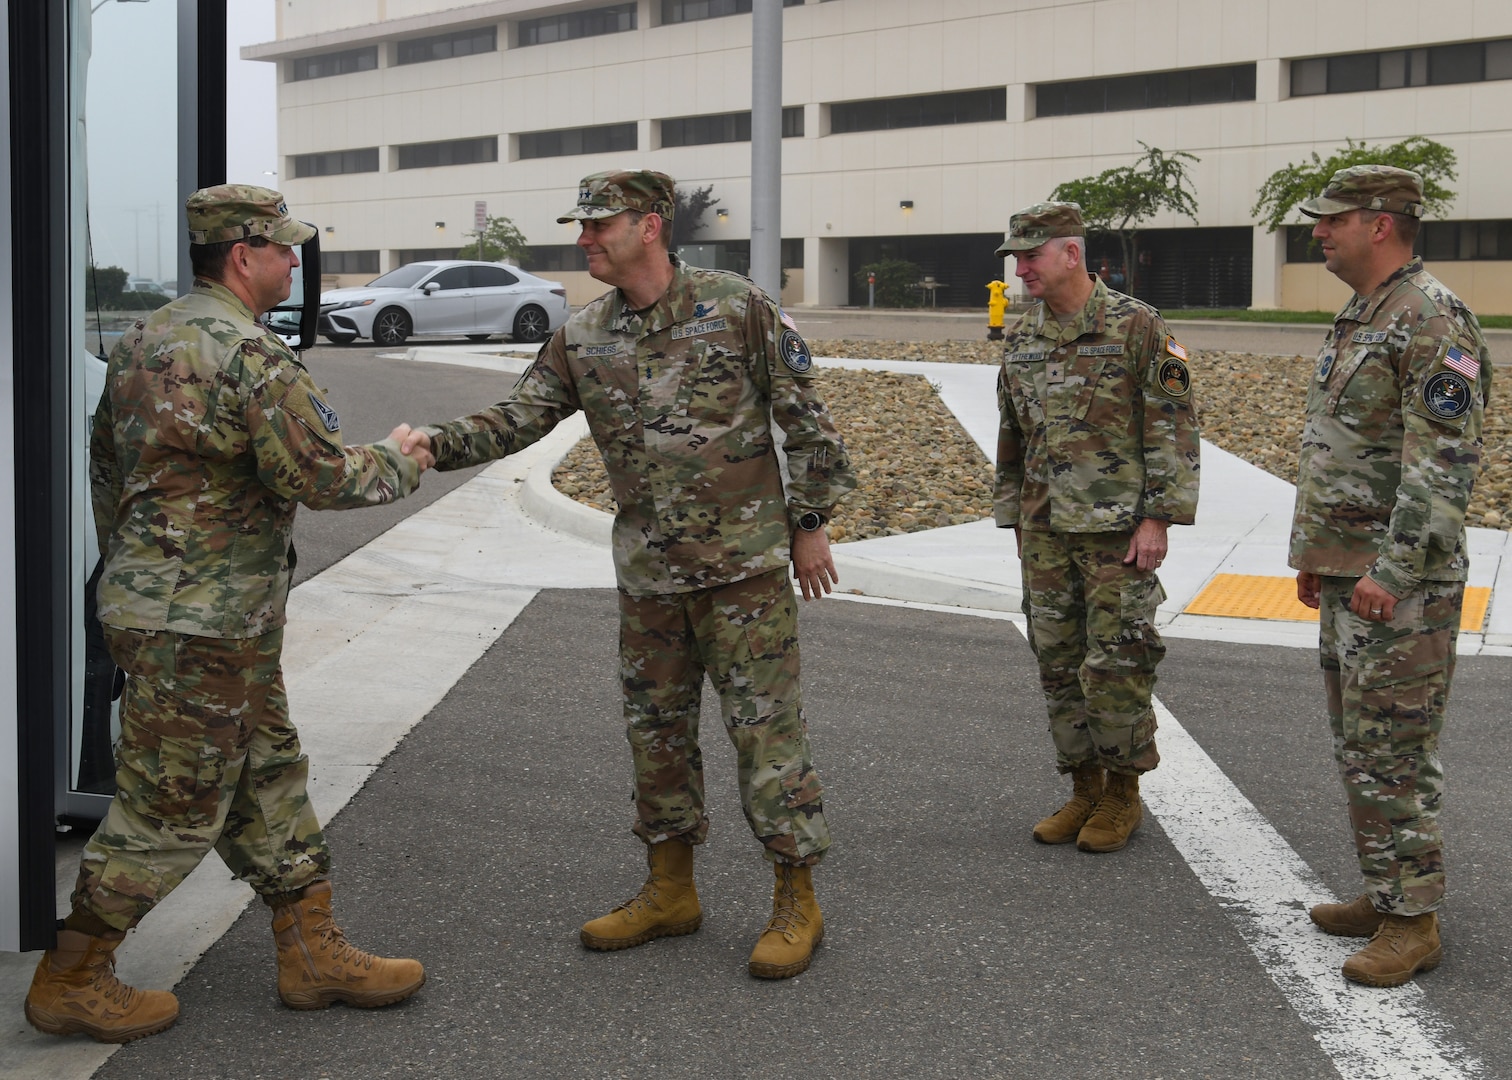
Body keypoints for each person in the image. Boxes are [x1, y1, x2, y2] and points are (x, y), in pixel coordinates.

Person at [402, 169, 855, 980]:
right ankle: (670, 889)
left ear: (649, 226)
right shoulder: (583, 335)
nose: (584, 239)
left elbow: (808, 420)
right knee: (657, 737)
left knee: (766, 738)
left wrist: (810, 524)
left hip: (742, 574)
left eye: (597, 224)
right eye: (580, 225)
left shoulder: (736, 307)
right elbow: (518, 416)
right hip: (649, 577)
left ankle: (797, 898)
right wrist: (434, 443)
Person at [25, 185, 433, 1044]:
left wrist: (147, 577)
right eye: (283, 249)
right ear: (242, 256)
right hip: (205, 624)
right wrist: (398, 460)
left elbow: (108, 475)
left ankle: (311, 949)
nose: (294, 262)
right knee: (172, 806)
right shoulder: (246, 352)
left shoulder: (143, 338)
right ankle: (73, 974)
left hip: (174, 611)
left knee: (268, 770)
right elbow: (321, 476)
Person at [1291, 165, 1490, 987]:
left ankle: (1413, 922)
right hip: (1352, 572)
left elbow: (1443, 464)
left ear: (1380, 224)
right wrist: (1320, 556)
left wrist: (1392, 569)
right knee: (1360, 745)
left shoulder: (1434, 318)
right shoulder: (1364, 311)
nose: (1317, 233)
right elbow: (1344, 446)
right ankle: (1386, 888)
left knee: (1393, 751)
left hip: (1398, 585)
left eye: (1331, 220)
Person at [993, 202, 1200, 854]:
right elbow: (1011, 437)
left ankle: (1121, 793)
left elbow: (1173, 426)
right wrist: (1014, 517)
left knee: (1117, 665)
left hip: (1117, 533)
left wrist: (1158, 518)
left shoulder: (1137, 326)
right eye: (1016, 258)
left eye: (1031, 255)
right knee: (1057, 662)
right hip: (1046, 530)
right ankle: (1082, 786)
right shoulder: (1023, 337)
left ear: (1070, 254)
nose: (1020, 268)